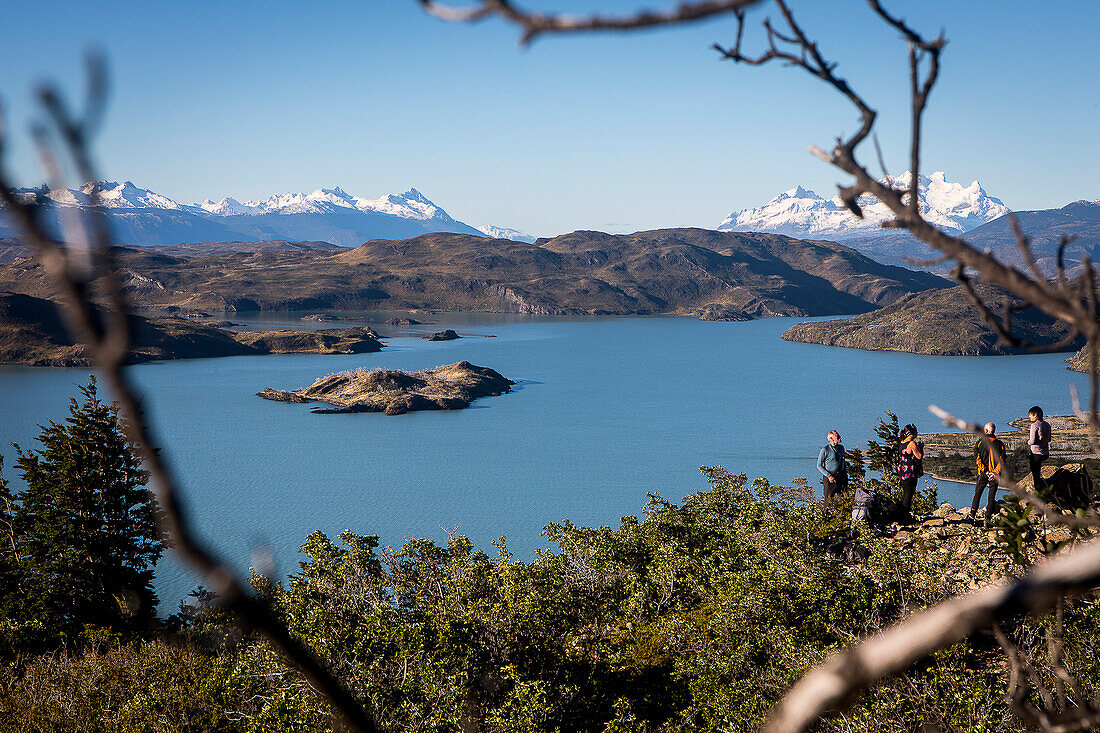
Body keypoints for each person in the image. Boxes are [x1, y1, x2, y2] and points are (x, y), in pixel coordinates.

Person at [971, 422, 1008, 526]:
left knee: (977, 494)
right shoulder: (1000, 444)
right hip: (995, 475)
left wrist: (986, 472)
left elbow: (978, 460)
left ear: (985, 431)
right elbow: (1002, 461)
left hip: (983, 474)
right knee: (991, 497)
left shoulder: (980, 443)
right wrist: (995, 472)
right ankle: (987, 518)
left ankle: (972, 515)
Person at [897, 424, 923, 520]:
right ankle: (904, 516)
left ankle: (902, 514)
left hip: (902, 472)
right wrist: (921, 448)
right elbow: (919, 456)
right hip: (910, 472)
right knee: (909, 494)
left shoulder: (902, 442)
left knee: (905, 494)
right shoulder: (911, 443)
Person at [817, 430, 847, 507]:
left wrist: (845, 475)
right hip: (830, 478)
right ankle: (826, 517)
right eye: (837, 435)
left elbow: (843, 462)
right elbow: (819, 465)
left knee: (844, 499)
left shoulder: (841, 448)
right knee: (829, 499)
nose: (839, 437)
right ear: (831, 438)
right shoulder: (825, 449)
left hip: (841, 476)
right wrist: (829, 475)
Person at [1027, 405, 1051, 492]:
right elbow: (1049, 439)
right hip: (1045, 452)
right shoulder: (1047, 424)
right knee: (1038, 472)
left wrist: (1028, 442)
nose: (1029, 416)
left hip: (1036, 453)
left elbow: (1032, 441)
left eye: (1030, 415)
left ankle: (1038, 492)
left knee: (1035, 474)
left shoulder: (1035, 425)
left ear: (1035, 415)